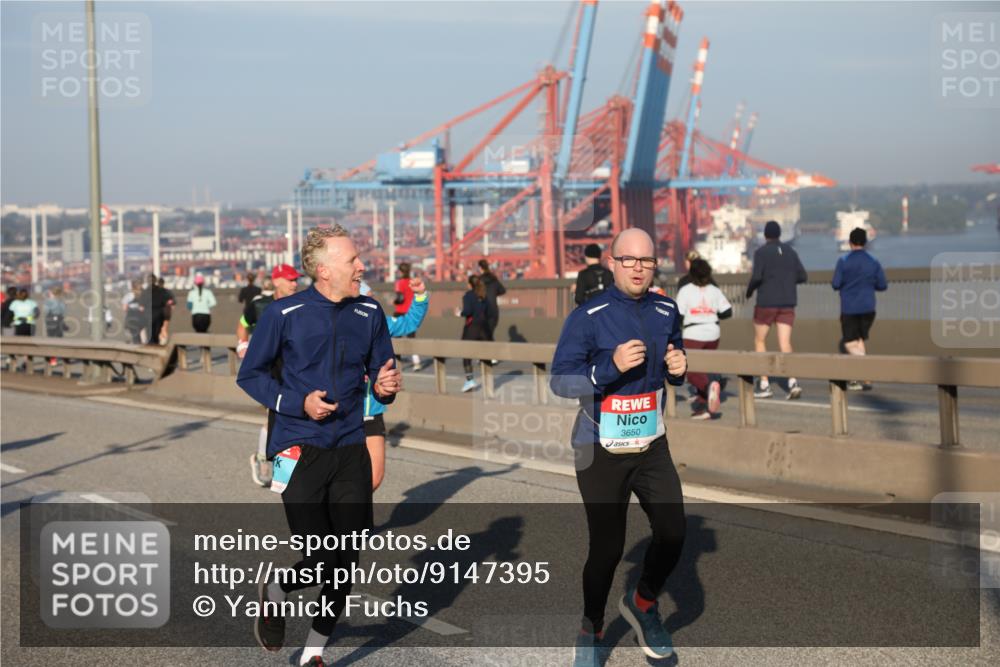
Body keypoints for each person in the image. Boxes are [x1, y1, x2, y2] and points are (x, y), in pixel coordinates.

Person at [236, 225, 401, 667]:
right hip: (298, 446)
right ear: (324, 270)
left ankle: (313, 653)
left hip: (350, 444)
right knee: (322, 551)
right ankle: (275, 592)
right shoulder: (283, 314)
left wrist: (386, 387)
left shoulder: (369, 311)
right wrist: (298, 403)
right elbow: (249, 375)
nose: (362, 266)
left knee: (346, 555)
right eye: (353, 261)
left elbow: (384, 377)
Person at [550, 228, 688, 667]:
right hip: (599, 447)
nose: (637, 268)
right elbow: (560, 379)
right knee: (607, 551)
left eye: (646, 261)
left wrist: (680, 367)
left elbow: (674, 356)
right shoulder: (589, 315)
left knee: (674, 532)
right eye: (628, 260)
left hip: (650, 444)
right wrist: (607, 368)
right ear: (612, 263)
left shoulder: (667, 308)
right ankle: (591, 627)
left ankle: (644, 602)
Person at [237, 264, 301, 488]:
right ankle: (268, 462)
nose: (295, 284)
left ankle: (283, 474)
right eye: (290, 280)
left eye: (296, 280)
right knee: (274, 415)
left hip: (294, 369)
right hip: (268, 369)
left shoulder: (302, 304)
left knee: (289, 418)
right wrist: (242, 344)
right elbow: (243, 325)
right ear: (276, 281)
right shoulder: (259, 305)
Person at [363, 276, 430, 491]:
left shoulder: (378, 322)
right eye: (367, 299)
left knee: (373, 478)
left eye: (373, 299)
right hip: (342, 413)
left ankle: (350, 518)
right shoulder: (331, 324)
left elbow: (408, 323)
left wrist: (419, 296)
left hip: (371, 409)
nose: (372, 304)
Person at [745, 220, 807, 399]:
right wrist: (786, 281)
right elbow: (803, 275)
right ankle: (792, 381)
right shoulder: (790, 251)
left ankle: (764, 384)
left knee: (760, 340)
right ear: (780, 234)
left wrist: (749, 291)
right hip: (787, 303)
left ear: (765, 235)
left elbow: (757, 277)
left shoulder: (761, 252)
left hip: (766, 303)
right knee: (785, 343)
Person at [676, 259, 732, 419]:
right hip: (713, 333)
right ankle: (704, 406)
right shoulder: (714, 290)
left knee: (691, 371)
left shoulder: (685, 290)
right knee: (706, 369)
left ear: (691, 273)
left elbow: (678, 315)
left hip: (693, 333)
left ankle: (709, 388)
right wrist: (710, 313)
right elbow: (727, 312)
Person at [832, 227, 887, 391]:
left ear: (850, 243)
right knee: (859, 339)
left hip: (850, 307)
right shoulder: (873, 261)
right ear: (866, 242)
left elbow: (835, 284)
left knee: (849, 342)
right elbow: (882, 285)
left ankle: (866, 370)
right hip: (869, 308)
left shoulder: (843, 261)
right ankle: (862, 379)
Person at [459, 275, 494, 393]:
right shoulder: (483, 295)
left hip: (472, 327)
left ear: (470, 284)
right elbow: (490, 312)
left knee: (466, 354)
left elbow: (468, 311)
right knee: (486, 355)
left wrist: (460, 313)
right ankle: (489, 382)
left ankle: (469, 381)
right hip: (484, 328)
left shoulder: (468, 296)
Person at [393, 262, 422, 371]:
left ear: (400, 271)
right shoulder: (413, 282)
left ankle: (396, 364)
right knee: (411, 337)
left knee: (396, 338)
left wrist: (394, 301)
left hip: (401, 311)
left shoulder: (400, 283)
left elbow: (400, 298)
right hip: (411, 312)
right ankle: (417, 362)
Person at [477, 258, 506, 342]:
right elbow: (503, 290)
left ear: (480, 268)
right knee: (489, 334)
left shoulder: (479, 281)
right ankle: (492, 352)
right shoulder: (494, 279)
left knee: (482, 335)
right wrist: (493, 294)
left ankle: (487, 353)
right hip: (493, 310)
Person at [158, 277, 175, 343]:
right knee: (165, 328)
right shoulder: (168, 292)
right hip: (166, 311)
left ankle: (160, 341)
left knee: (158, 328)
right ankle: (163, 342)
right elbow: (173, 304)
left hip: (157, 312)